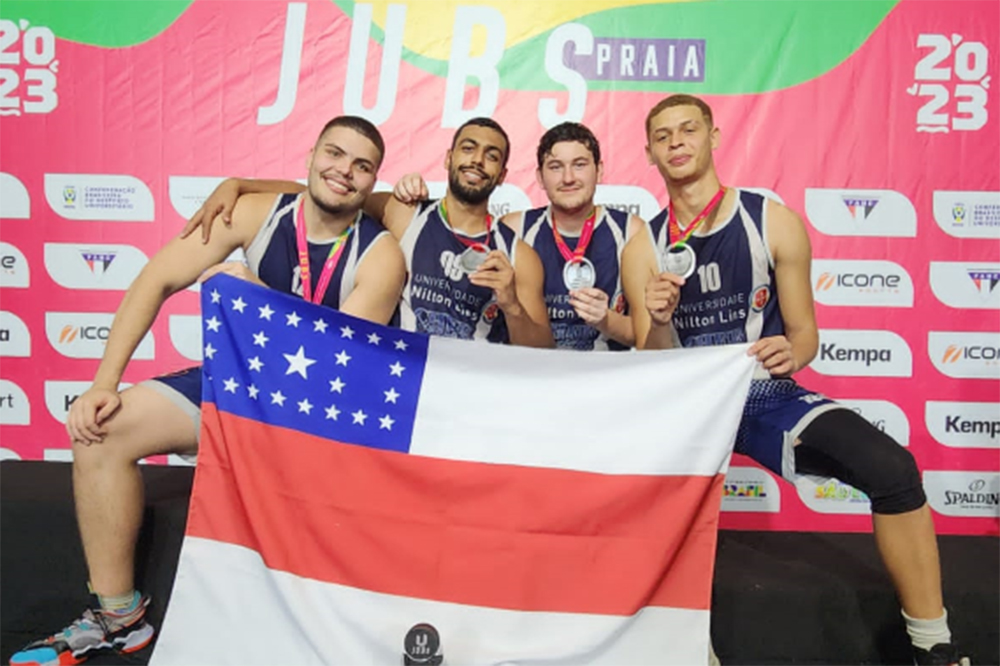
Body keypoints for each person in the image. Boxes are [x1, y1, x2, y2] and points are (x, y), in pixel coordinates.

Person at [9, 116, 406, 666]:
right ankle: (118, 617)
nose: (344, 171)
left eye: (361, 166)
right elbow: (157, 278)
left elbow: (327, 363)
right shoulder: (253, 213)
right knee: (102, 434)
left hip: (311, 414)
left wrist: (256, 295)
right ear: (311, 154)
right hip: (230, 386)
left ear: (372, 181)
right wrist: (104, 383)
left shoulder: (382, 256)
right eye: (334, 154)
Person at [621, 93, 969, 666]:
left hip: (762, 395)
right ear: (650, 153)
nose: (677, 141)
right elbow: (650, 356)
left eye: (688, 130)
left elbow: (806, 336)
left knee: (893, 468)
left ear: (714, 136)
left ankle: (932, 643)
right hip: (688, 407)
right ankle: (686, 650)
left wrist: (791, 350)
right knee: (651, 513)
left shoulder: (771, 220)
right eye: (663, 136)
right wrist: (657, 320)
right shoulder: (643, 246)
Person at [191, 118, 553, 348]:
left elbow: (540, 354)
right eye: (468, 148)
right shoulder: (402, 210)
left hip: (467, 392)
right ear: (448, 158)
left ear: (503, 174)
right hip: (397, 381)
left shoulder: (519, 256)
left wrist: (511, 305)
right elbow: (322, 193)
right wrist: (240, 185)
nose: (477, 160)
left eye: (491, 156)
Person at [395, 122, 644, 351]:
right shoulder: (514, 229)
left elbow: (648, 338)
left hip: (604, 382)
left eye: (579, 165)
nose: (568, 178)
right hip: (530, 381)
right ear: (539, 177)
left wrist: (607, 320)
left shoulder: (631, 232)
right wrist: (404, 187)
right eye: (556, 167)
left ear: (599, 171)